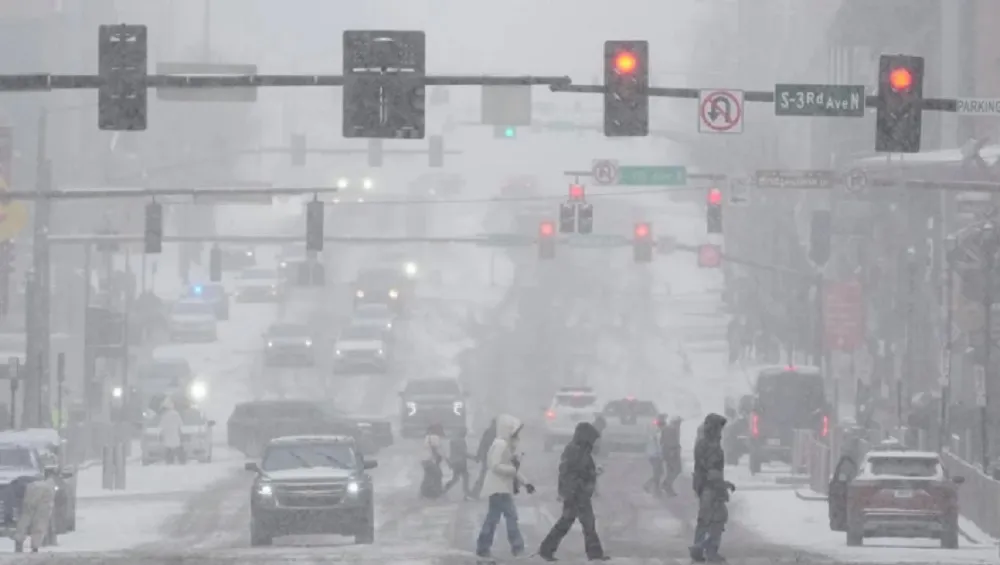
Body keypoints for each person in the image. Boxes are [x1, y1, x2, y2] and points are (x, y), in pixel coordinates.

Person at [538, 421, 608, 561]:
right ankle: (547, 549)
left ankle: (547, 549)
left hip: (576, 493)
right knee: (582, 523)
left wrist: (592, 474)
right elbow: (572, 473)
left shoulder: (577, 450)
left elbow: (575, 472)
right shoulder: (576, 451)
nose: (595, 443)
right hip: (577, 494)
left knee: (574, 522)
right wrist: (590, 477)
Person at [475, 414, 534, 559]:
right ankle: (517, 547)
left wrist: (525, 483)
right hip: (499, 488)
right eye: (515, 432)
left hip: (499, 488)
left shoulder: (503, 444)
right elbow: (495, 466)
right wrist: (513, 470)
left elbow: (511, 468)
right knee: (511, 516)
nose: (517, 435)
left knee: (493, 518)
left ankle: (483, 547)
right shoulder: (501, 444)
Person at [689, 413, 735, 563]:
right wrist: (723, 484)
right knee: (716, 518)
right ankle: (705, 549)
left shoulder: (707, 443)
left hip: (707, 485)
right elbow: (711, 470)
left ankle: (701, 548)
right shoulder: (709, 445)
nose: (721, 431)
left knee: (708, 519)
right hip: (710, 486)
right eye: (719, 427)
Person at [13, 468, 57, 553]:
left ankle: (19, 541)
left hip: (31, 490)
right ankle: (35, 546)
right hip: (45, 496)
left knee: (26, 518)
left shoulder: (32, 477)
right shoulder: (51, 484)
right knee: (40, 522)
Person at [444, 426, 474, 499]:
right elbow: (463, 452)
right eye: (465, 432)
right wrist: (473, 457)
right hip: (460, 462)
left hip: (454, 461)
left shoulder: (453, 440)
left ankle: (444, 490)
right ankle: (466, 493)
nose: (465, 434)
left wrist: (449, 462)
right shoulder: (461, 441)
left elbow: (451, 452)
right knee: (465, 477)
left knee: (456, 478)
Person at [471, 418, 497, 499]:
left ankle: (474, 493)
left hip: (489, 456)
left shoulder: (489, 431)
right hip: (494, 456)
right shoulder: (496, 432)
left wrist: (479, 455)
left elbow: (482, 444)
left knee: (483, 475)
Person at [421, 423, 446, 499]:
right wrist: (437, 457)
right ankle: (435, 492)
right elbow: (434, 448)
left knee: (428, 476)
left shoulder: (427, 437)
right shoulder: (434, 437)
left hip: (424, 460)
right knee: (438, 474)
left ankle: (425, 492)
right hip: (430, 460)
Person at [644, 417, 666, 495]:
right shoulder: (660, 434)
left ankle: (651, 486)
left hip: (652, 455)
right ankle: (652, 487)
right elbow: (660, 446)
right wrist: (661, 455)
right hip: (655, 455)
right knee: (658, 473)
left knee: (659, 472)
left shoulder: (656, 433)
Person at [661, 416, 682, 496]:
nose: (679, 425)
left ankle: (668, 488)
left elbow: (662, 440)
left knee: (670, 470)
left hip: (668, 451)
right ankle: (666, 484)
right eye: (679, 423)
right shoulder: (672, 430)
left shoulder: (667, 429)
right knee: (677, 469)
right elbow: (671, 442)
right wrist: (673, 450)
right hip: (672, 451)